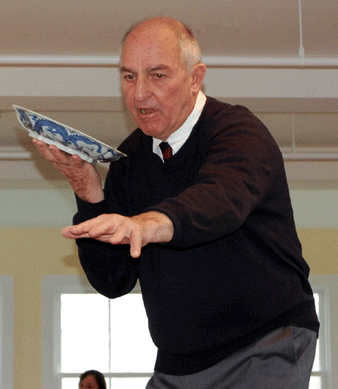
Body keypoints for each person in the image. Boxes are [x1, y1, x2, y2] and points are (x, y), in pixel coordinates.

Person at [34, 17, 319, 389]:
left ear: (195, 77)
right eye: (129, 77)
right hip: (179, 361)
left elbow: (220, 200)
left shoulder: (238, 132)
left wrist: (148, 223)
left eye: (157, 76)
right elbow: (112, 279)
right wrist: (90, 195)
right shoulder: (130, 159)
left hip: (263, 341)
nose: (139, 95)